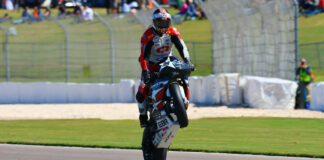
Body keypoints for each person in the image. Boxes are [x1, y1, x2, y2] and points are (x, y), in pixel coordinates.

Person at [136, 8, 194, 160]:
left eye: (165, 21)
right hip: (152, 66)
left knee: (185, 72)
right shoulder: (147, 35)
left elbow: (182, 46)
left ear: (169, 22)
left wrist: (188, 61)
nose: (162, 25)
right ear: (154, 22)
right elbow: (142, 56)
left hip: (169, 61)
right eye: (159, 22)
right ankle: (143, 116)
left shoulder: (173, 32)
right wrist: (145, 72)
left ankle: (183, 100)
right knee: (140, 93)